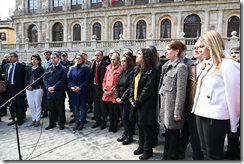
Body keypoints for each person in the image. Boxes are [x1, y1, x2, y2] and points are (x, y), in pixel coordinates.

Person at [192, 31, 240, 160]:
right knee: (205, 151)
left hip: (216, 116)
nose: (199, 50)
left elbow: (234, 96)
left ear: (212, 45)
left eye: (202, 47)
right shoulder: (208, 65)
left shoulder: (229, 65)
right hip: (200, 112)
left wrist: (234, 122)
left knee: (214, 154)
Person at [156, 40, 188, 160]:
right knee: (168, 134)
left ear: (176, 51)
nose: (166, 51)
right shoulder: (166, 66)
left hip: (173, 108)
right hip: (165, 105)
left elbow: (181, 91)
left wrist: (177, 111)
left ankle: (172, 157)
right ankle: (166, 156)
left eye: (169, 49)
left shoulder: (181, 67)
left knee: (174, 135)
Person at [129, 48, 157, 160]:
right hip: (136, 103)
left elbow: (148, 89)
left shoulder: (151, 71)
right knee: (139, 126)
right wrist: (131, 98)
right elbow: (132, 85)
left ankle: (147, 150)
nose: (137, 56)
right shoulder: (137, 70)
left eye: (139, 54)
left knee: (146, 128)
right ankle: (141, 146)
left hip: (145, 105)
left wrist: (138, 101)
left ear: (146, 57)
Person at [183, 41, 204, 160]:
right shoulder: (190, 66)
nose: (196, 50)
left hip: (206, 110)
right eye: (195, 47)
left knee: (205, 139)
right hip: (191, 108)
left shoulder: (212, 67)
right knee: (194, 136)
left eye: (200, 47)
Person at [223, 46, 240, 160]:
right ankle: (231, 151)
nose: (233, 55)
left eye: (237, 53)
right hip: (231, 107)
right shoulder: (230, 68)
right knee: (231, 132)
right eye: (232, 53)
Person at [43, 52, 68, 130]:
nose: (52, 59)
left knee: (60, 109)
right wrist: (48, 87)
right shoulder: (49, 68)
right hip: (49, 92)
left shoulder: (63, 68)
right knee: (51, 109)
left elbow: (63, 80)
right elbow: (45, 78)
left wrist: (54, 87)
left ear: (58, 58)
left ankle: (61, 123)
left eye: (54, 58)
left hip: (58, 92)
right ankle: (52, 123)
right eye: (51, 58)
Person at [115, 52, 135, 145]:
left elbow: (130, 87)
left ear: (129, 62)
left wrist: (122, 98)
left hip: (126, 99)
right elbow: (117, 86)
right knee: (123, 118)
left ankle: (129, 136)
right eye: (121, 61)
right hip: (120, 99)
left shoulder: (131, 73)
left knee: (126, 117)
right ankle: (124, 134)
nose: (122, 63)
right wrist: (117, 96)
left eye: (124, 61)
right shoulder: (121, 72)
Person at [68, 53, 90, 131]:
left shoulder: (86, 68)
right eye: (76, 58)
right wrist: (71, 87)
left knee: (82, 107)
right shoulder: (72, 68)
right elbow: (69, 78)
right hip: (74, 91)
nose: (77, 60)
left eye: (79, 58)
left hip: (82, 91)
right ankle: (76, 122)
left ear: (83, 60)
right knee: (75, 108)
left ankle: (82, 122)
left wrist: (80, 87)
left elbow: (87, 80)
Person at [146, 45, 162, 148]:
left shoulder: (158, 65)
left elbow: (159, 81)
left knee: (154, 118)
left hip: (154, 95)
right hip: (147, 95)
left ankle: (154, 137)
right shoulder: (146, 64)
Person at [5, 52, 27, 126]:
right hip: (9, 87)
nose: (10, 58)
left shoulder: (21, 66)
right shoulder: (7, 66)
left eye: (11, 56)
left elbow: (25, 77)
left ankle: (20, 119)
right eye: (9, 57)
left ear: (16, 58)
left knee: (19, 103)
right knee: (11, 104)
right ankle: (14, 118)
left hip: (18, 87)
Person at [102, 52, 122, 132]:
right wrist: (105, 89)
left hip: (114, 93)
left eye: (114, 59)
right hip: (107, 93)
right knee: (110, 110)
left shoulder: (120, 70)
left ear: (118, 60)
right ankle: (111, 124)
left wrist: (112, 91)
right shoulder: (108, 69)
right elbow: (104, 80)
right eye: (111, 59)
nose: (112, 61)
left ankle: (115, 125)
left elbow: (119, 83)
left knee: (115, 110)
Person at [90, 50, 109, 129]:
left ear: (101, 56)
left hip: (102, 87)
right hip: (94, 87)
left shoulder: (106, 65)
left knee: (103, 106)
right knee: (96, 105)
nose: (96, 57)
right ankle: (97, 120)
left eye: (98, 55)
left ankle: (104, 121)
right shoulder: (93, 65)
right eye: (95, 55)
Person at [25, 54, 44, 127]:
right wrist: (27, 85)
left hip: (37, 89)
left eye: (35, 59)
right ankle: (33, 119)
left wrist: (32, 86)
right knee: (31, 104)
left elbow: (40, 79)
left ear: (38, 61)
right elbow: (26, 78)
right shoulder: (29, 68)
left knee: (37, 104)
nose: (33, 61)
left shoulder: (40, 69)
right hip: (29, 89)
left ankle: (37, 119)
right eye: (32, 59)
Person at [41, 50, 51, 118]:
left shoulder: (52, 62)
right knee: (44, 98)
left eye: (48, 55)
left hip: (51, 82)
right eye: (45, 55)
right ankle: (45, 111)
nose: (46, 56)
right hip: (44, 82)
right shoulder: (43, 63)